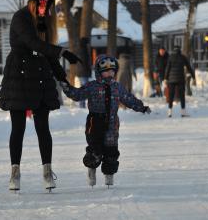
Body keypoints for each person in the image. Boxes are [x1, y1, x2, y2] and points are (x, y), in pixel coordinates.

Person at [0, 0, 81, 192]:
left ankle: (47, 171)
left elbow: (45, 51)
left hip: (41, 76)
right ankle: (15, 172)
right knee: (18, 127)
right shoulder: (21, 17)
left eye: (50, 1)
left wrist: (63, 79)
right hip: (19, 75)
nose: (47, 5)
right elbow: (33, 43)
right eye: (45, 0)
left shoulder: (46, 20)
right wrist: (61, 51)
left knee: (43, 127)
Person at [60, 55, 151, 187]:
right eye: (106, 71)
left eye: (112, 71)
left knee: (111, 152)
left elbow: (128, 99)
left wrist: (141, 107)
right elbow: (78, 95)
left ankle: (109, 176)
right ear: (99, 72)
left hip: (112, 125)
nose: (110, 73)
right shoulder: (92, 86)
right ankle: (92, 168)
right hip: (94, 123)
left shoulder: (117, 87)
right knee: (95, 151)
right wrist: (67, 87)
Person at [164, 46, 195, 118]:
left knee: (171, 96)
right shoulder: (183, 57)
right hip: (180, 79)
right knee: (182, 96)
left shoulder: (170, 57)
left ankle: (169, 112)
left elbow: (167, 68)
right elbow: (189, 67)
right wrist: (193, 76)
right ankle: (183, 112)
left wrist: (165, 78)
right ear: (179, 50)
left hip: (171, 80)